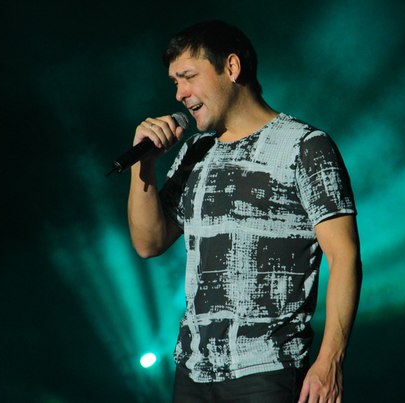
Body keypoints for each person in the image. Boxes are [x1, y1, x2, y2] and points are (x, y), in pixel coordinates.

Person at [127, 20, 362, 403]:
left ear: (232, 67)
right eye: (175, 82)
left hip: (267, 371)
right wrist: (145, 164)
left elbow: (345, 255)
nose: (180, 94)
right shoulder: (195, 152)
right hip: (192, 374)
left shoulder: (305, 146)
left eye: (188, 77)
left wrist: (330, 361)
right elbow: (148, 242)